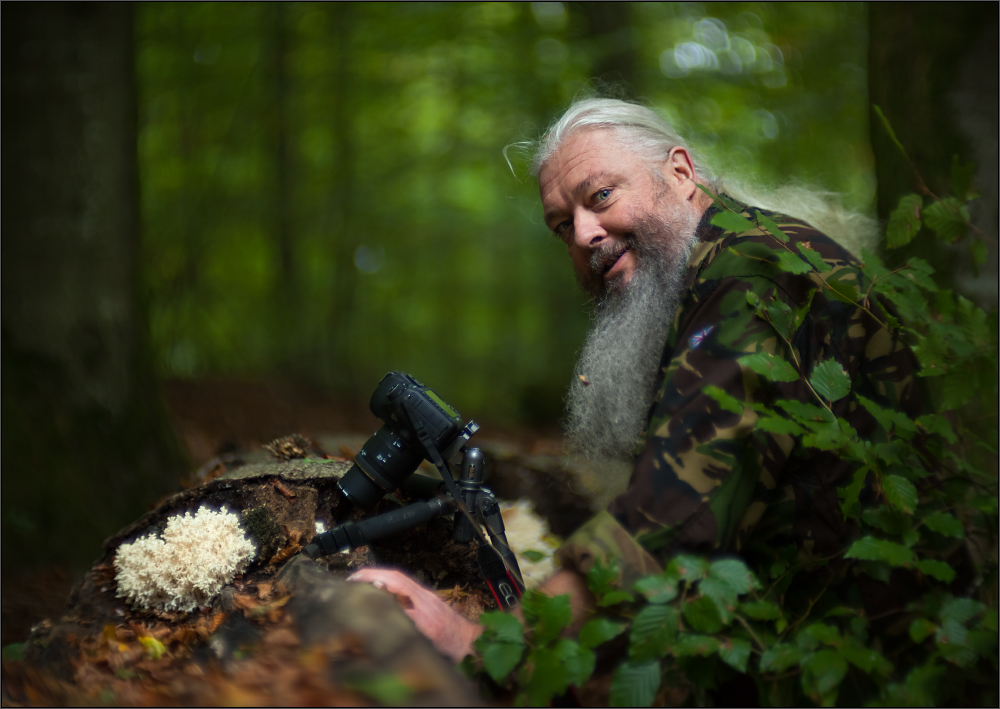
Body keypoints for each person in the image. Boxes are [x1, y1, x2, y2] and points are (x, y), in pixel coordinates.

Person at [348, 97, 926, 663]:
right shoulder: (712, 272)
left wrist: (480, 645)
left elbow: (670, 520)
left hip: (888, 654)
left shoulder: (752, 279)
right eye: (561, 226)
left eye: (600, 196)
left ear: (679, 173)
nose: (583, 234)